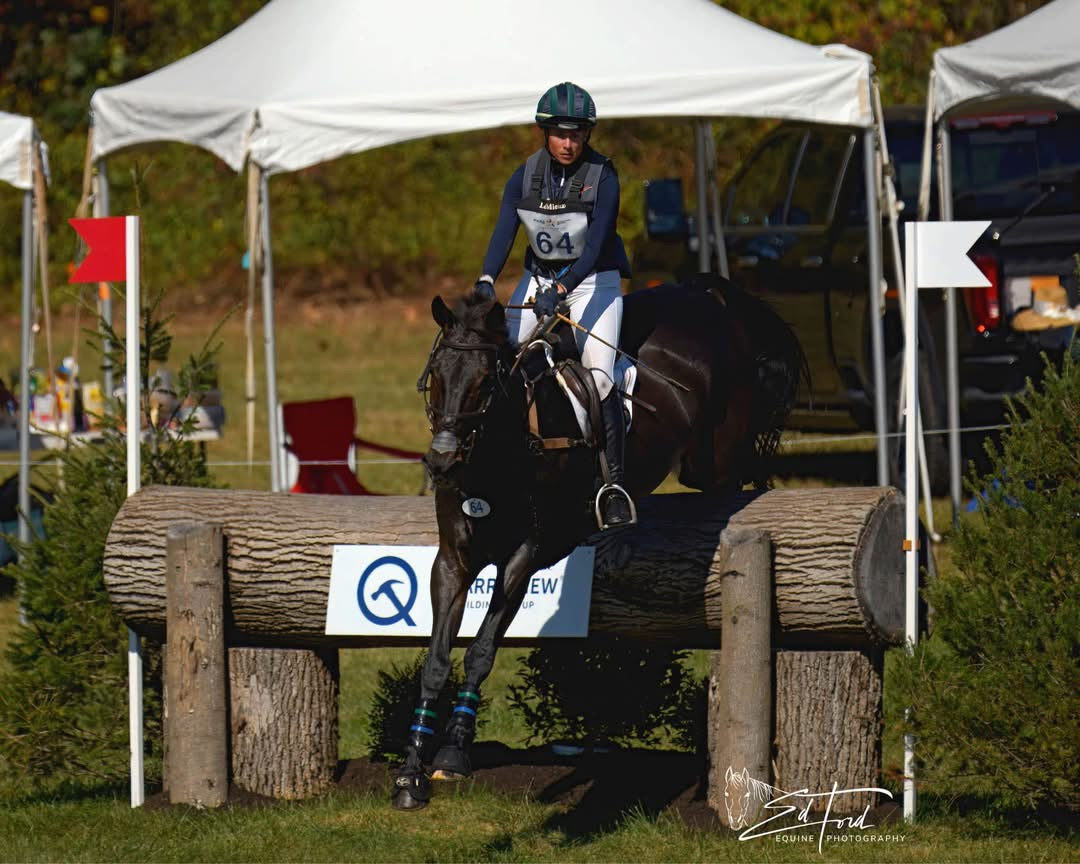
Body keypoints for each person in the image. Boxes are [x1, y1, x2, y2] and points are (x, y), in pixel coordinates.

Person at [473, 82, 635, 528]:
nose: (569, 143)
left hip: (591, 284)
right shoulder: (525, 175)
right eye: (561, 134)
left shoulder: (605, 177)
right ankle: (483, 469)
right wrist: (487, 279)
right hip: (539, 278)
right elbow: (505, 228)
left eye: (578, 134)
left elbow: (595, 245)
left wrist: (561, 289)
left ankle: (613, 485)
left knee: (601, 380)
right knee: (497, 365)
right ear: (545, 133)